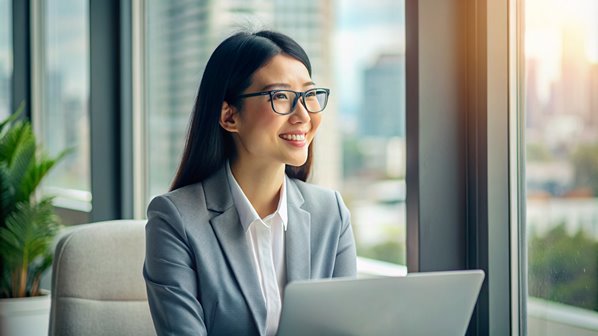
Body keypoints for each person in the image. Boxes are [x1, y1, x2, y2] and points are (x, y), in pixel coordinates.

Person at [143, 30, 357, 336]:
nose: (303, 115)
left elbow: (348, 327)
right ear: (229, 116)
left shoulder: (331, 214)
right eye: (281, 96)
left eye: (309, 95)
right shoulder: (175, 220)